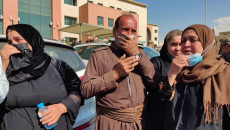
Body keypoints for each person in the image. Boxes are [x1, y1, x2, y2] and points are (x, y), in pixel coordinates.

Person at [81, 13, 160, 130]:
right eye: (125, 29)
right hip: (112, 123)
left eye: (133, 31)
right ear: (115, 32)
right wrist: (114, 75)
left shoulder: (141, 53)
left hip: (139, 123)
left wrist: (137, 55)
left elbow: (155, 82)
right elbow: (85, 90)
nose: (129, 35)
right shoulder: (99, 55)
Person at [0, 24, 82, 130]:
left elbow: (78, 91)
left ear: (33, 41)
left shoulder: (57, 66)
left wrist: (61, 107)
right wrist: (3, 63)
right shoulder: (4, 69)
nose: (12, 45)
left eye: (17, 40)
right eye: (10, 41)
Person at [165, 24, 230, 130]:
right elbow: (161, 102)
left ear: (207, 43)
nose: (186, 44)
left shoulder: (224, 73)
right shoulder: (181, 72)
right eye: (183, 40)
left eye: (192, 40)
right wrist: (172, 73)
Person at [147, 29, 182, 130]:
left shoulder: (188, 63)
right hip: (160, 116)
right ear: (166, 45)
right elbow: (155, 93)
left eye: (181, 44)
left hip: (180, 116)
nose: (178, 48)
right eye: (173, 44)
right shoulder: (156, 62)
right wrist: (171, 73)